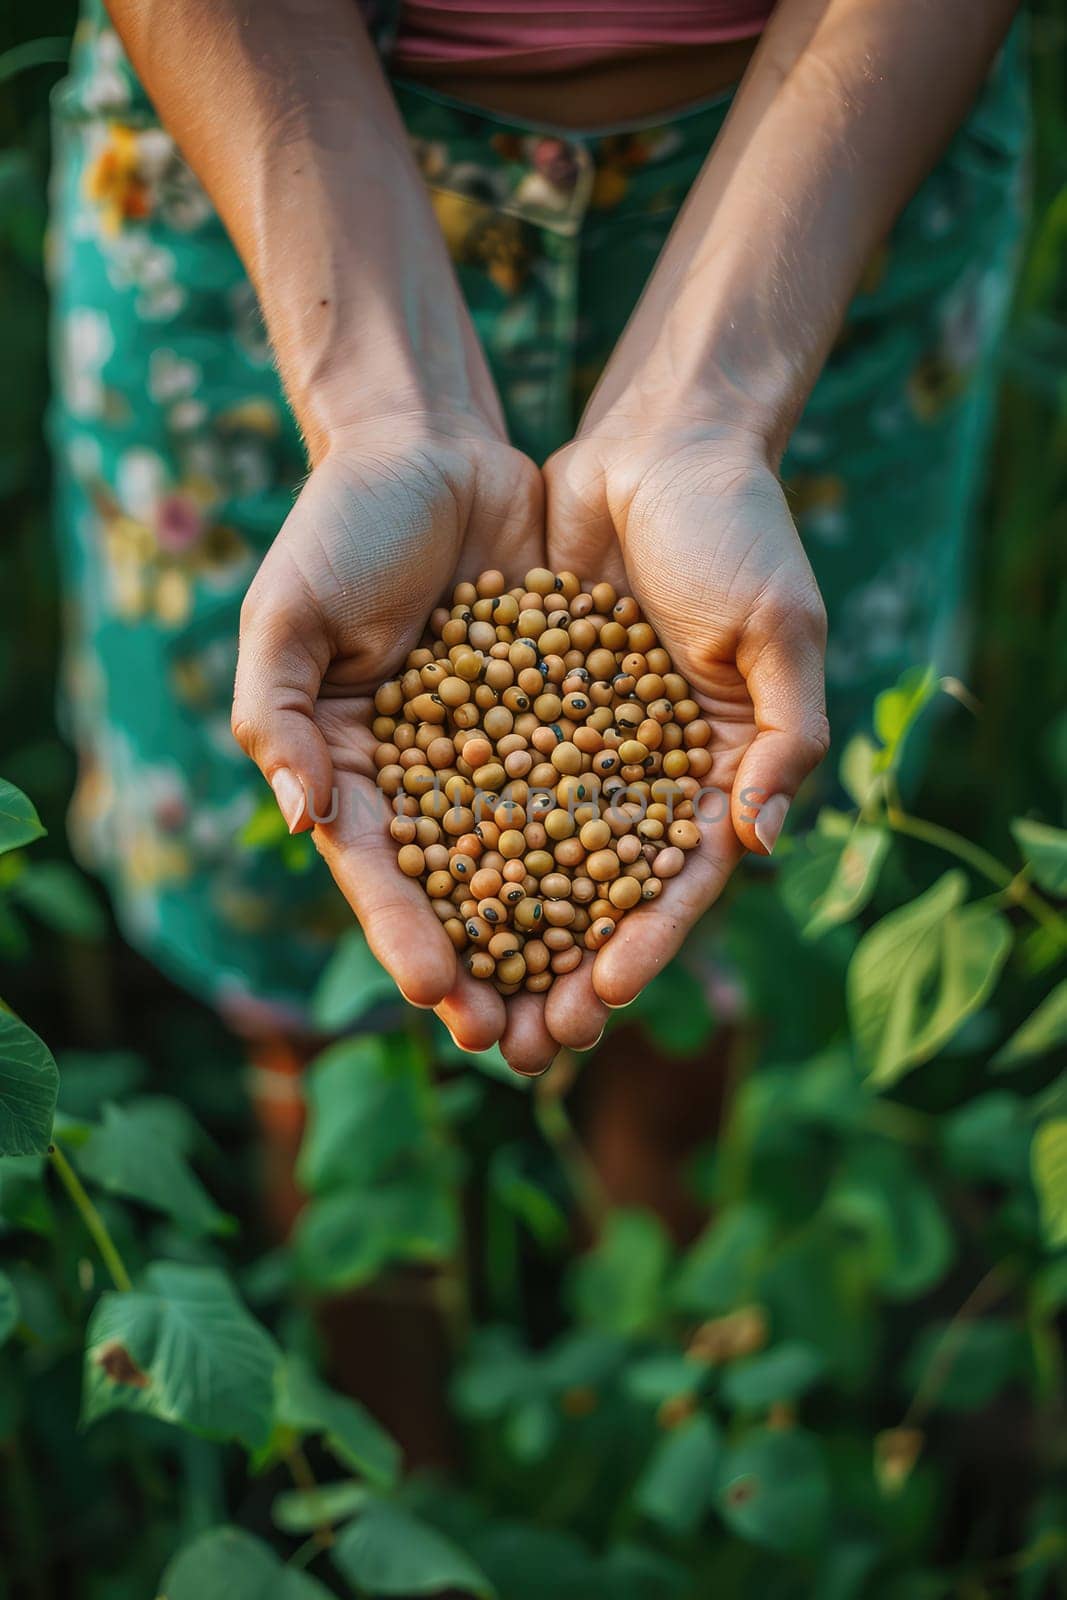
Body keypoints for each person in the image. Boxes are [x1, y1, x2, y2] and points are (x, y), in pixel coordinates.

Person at [50, 0, 1026, 1079]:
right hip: (249, 148)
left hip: (843, 160)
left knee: (729, 923)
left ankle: (657, 1193)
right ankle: (343, 1192)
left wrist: (706, 417)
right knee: (287, 898)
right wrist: (376, 416)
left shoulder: (555, 749)